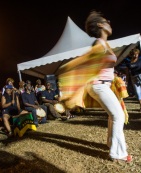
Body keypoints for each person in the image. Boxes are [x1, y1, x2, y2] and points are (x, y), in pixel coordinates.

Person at [58, 11, 132, 162]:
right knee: (118, 116)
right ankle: (117, 153)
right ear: (100, 25)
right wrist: (68, 71)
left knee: (114, 115)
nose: (109, 23)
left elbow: (101, 65)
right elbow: (86, 62)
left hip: (103, 85)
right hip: (99, 86)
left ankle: (111, 144)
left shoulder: (104, 44)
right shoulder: (99, 43)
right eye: (107, 21)